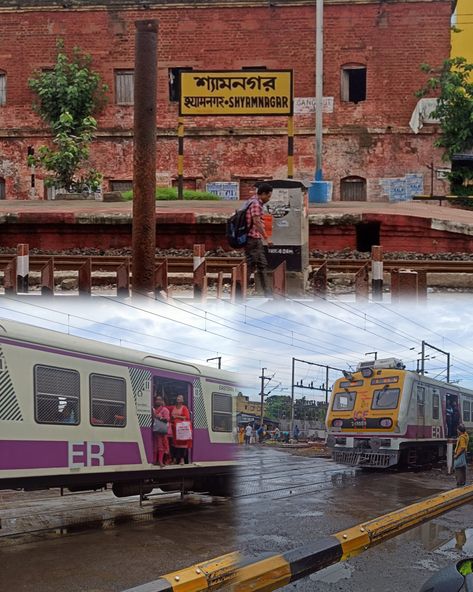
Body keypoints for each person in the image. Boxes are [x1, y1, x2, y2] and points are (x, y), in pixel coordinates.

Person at [245, 182, 273, 297]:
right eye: (269, 196)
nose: (269, 199)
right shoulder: (256, 204)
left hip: (254, 239)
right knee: (251, 266)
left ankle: (267, 293)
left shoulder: (252, 201)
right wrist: (266, 238)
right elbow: (257, 222)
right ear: (263, 194)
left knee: (261, 265)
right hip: (252, 239)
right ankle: (239, 291)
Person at [171, 394, 192, 465]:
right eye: (177, 397)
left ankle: (182, 460)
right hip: (174, 429)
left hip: (181, 429)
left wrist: (176, 416)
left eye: (180, 398)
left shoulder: (184, 408)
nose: (178, 399)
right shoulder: (173, 407)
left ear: (182, 400)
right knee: (174, 445)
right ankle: (174, 460)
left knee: (182, 445)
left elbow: (187, 417)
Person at [152, 395, 171, 467]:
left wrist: (158, 417)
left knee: (161, 446)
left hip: (160, 430)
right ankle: (154, 461)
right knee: (155, 446)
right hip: (154, 429)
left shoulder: (165, 410)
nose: (158, 401)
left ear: (162, 401)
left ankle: (160, 461)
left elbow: (167, 419)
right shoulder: (153, 409)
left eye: (159, 400)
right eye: (157, 399)